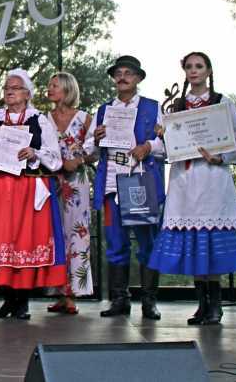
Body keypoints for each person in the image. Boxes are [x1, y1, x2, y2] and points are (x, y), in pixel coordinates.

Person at [148, 52, 236, 325]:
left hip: (212, 179)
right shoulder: (176, 107)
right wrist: (163, 137)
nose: (194, 71)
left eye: (199, 66)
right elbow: (168, 150)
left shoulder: (222, 103)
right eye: (189, 67)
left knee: (210, 241)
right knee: (194, 242)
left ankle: (215, 306)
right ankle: (202, 304)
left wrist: (221, 157)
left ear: (208, 71)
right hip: (184, 180)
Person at [0, 69, 67, 320]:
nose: (10, 91)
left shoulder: (39, 120)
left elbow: (55, 158)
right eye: (7, 87)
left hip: (26, 188)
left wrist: (34, 153)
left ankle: (22, 302)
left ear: (27, 94)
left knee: (24, 242)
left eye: (16, 87)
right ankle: (8, 299)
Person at [92, 55, 165, 320]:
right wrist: (96, 138)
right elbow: (92, 150)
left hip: (139, 181)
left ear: (138, 78)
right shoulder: (103, 110)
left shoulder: (153, 107)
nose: (123, 77)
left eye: (128, 73)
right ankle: (119, 300)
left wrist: (148, 146)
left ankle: (149, 301)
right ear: (114, 78)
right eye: (118, 73)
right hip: (112, 183)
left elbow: (167, 143)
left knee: (147, 242)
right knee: (115, 242)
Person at [45, 71, 97, 315]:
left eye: (54, 85)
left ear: (67, 89)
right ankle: (59, 293)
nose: (49, 89)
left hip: (77, 182)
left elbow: (95, 151)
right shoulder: (44, 119)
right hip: (52, 181)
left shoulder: (85, 118)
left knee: (77, 234)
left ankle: (73, 293)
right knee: (54, 235)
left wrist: (79, 160)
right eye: (49, 85)